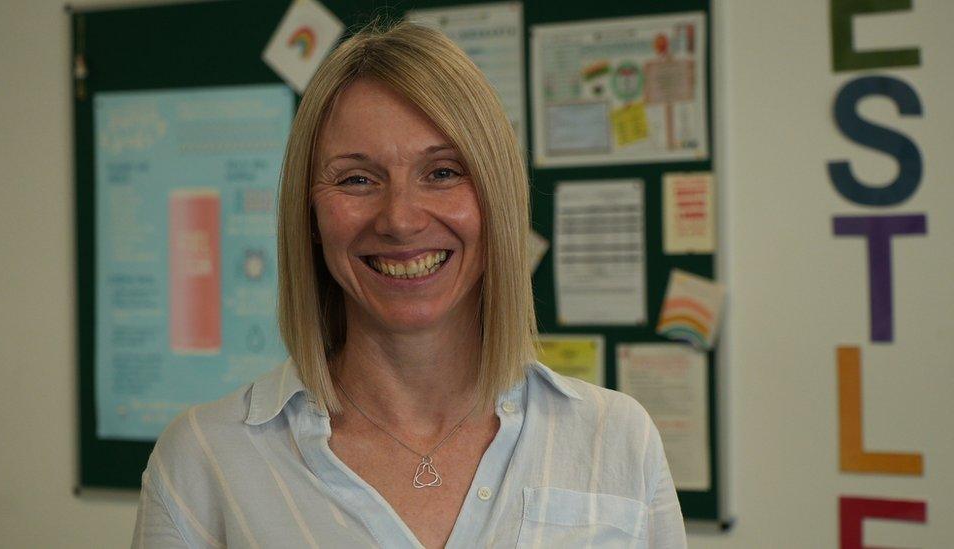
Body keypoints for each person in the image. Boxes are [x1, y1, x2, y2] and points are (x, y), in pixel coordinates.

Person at [132, 21, 685, 549]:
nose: (399, 219)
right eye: (356, 179)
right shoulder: (205, 461)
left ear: (497, 199)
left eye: (443, 172)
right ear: (310, 218)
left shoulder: (615, 440)